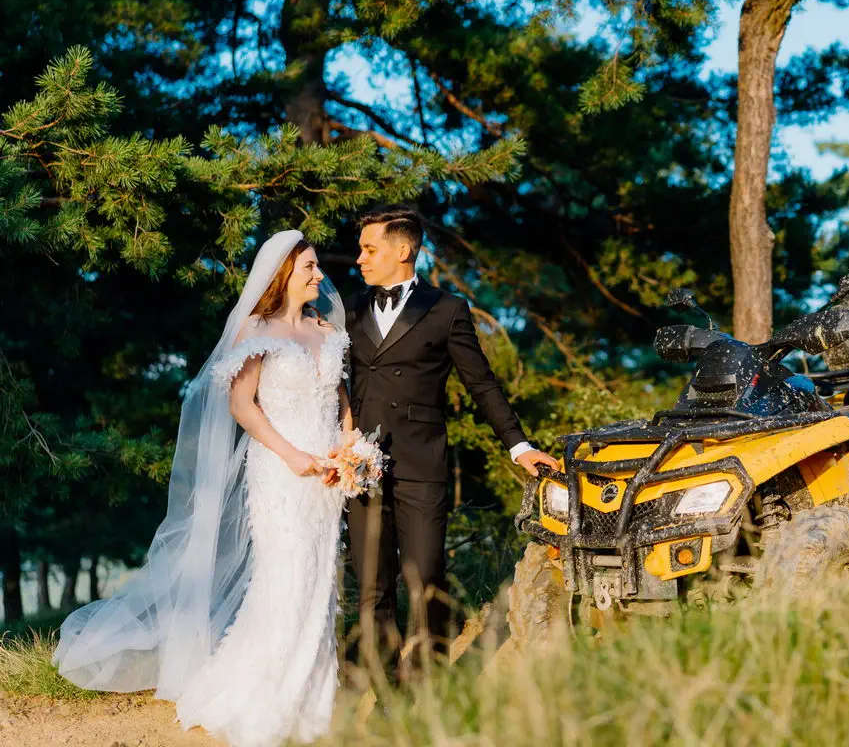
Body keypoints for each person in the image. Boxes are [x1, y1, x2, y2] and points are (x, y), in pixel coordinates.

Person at [53, 230, 353, 747]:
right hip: (281, 473)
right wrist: (292, 455)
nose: (319, 276)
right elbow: (242, 405)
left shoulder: (325, 330)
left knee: (320, 579)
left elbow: (342, 397)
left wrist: (348, 450)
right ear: (284, 274)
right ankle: (260, 699)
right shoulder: (259, 331)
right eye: (309, 267)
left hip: (327, 477)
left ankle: (312, 703)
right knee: (285, 578)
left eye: (318, 266)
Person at [344, 205, 558, 669]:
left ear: (402, 250)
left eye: (369, 249)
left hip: (421, 464)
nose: (359, 259)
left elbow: (481, 384)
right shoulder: (351, 307)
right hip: (359, 468)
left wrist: (518, 445)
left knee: (425, 581)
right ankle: (382, 691)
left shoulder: (446, 309)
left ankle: (424, 687)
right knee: (371, 588)